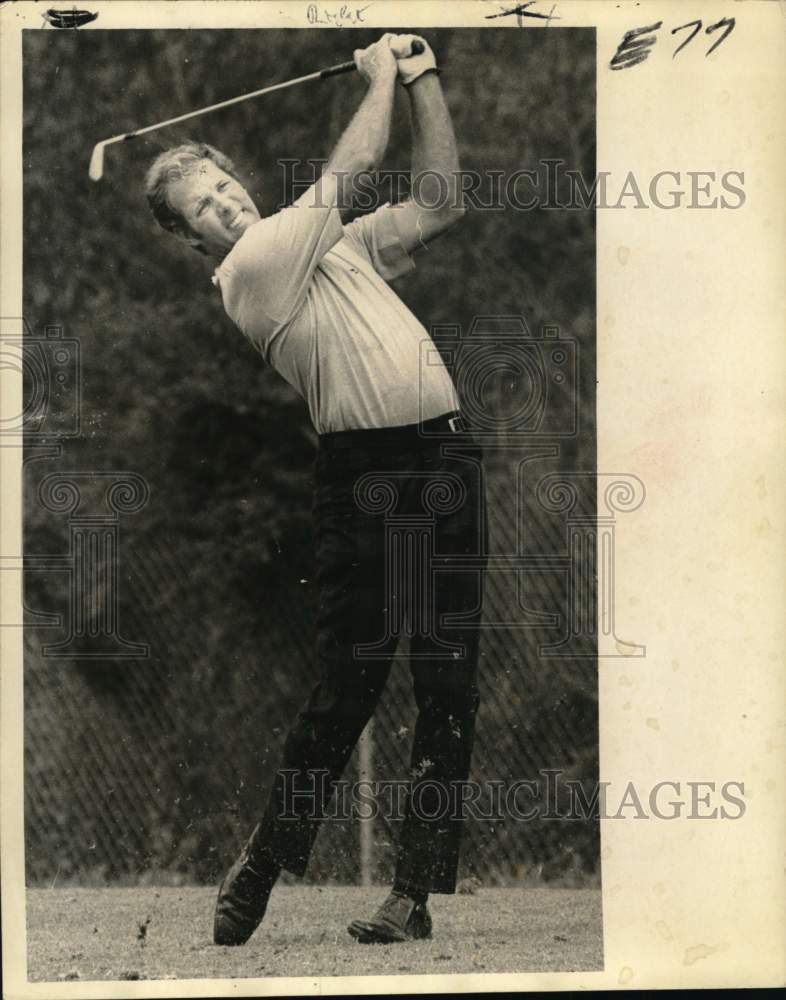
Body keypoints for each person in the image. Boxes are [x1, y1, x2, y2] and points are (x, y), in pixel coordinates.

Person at [145, 33, 487, 946]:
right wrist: (378, 76)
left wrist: (421, 79)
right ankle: (266, 855)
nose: (225, 205)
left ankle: (410, 896)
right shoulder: (254, 270)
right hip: (366, 479)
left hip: (443, 462)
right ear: (190, 241)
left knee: (447, 680)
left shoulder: (332, 248)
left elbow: (442, 200)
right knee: (349, 688)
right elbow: (358, 159)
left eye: (223, 188)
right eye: (203, 210)